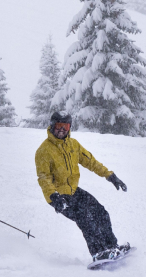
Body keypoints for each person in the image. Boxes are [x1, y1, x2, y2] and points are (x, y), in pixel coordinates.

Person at [35, 112, 132, 263]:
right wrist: (54, 197)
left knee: (101, 213)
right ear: (53, 126)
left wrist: (110, 176)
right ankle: (99, 253)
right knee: (85, 218)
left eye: (65, 126)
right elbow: (44, 178)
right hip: (59, 196)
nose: (62, 130)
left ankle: (112, 247)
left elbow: (91, 162)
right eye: (59, 126)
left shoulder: (73, 145)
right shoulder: (44, 151)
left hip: (74, 191)